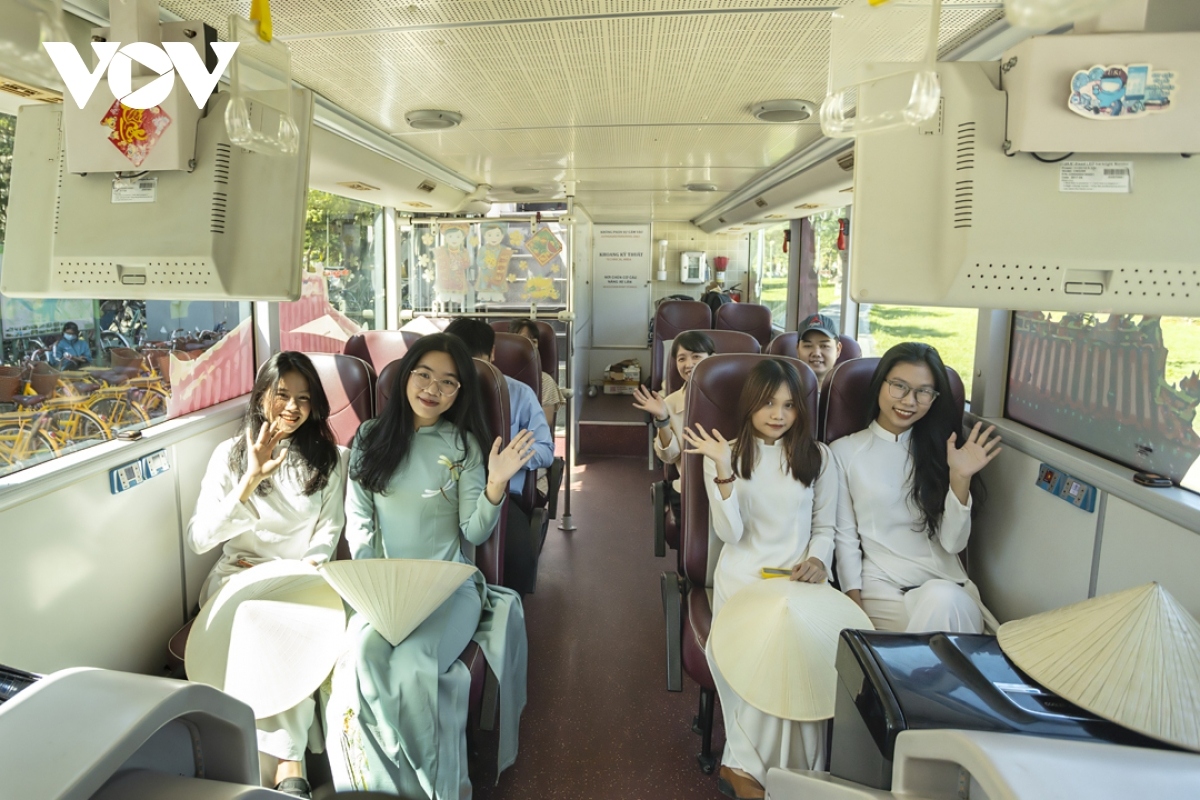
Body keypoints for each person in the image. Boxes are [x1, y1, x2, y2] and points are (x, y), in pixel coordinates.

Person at [327, 333, 533, 799]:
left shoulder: (463, 448)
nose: (432, 388)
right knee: (361, 664)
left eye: (448, 382)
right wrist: (376, 589)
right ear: (405, 376)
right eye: (423, 374)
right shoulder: (368, 438)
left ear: (459, 393)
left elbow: (475, 532)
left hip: (447, 586)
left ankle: (428, 789)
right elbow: (359, 526)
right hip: (384, 588)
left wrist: (496, 485)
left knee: (412, 668)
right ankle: (378, 787)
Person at [186, 351, 348, 798]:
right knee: (261, 619)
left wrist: (301, 572)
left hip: (300, 579)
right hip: (238, 579)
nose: (293, 407)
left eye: (304, 398)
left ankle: (258, 774)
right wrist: (249, 482)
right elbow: (200, 539)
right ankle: (289, 767)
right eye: (282, 395)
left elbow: (327, 534)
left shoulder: (331, 459)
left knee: (283, 622)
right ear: (261, 397)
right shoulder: (231, 455)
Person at [682, 358, 835, 800]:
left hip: (799, 582)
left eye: (788, 405)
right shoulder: (724, 452)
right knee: (768, 650)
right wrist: (724, 473)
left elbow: (826, 528)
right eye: (768, 403)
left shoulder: (818, 457)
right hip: (744, 579)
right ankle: (745, 767)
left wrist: (819, 561)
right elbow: (731, 534)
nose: (778, 415)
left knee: (805, 657)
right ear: (749, 403)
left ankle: (794, 772)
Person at [831, 342, 1001, 634]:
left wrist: (960, 478)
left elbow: (953, 545)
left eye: (923, 392)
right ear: (880, 384)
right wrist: (853, 604)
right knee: (936, 639)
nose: (909, 401)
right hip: (881, 591)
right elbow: (845, 538)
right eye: (899, 386)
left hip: (946, 587)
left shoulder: (945, 453)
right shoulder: (843, 452)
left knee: (941, 601)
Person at [444, 318, 554, 594]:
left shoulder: (519, 394)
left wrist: (512, 458)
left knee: (516, 557)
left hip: (505, 497)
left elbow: (545, 449)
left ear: (491, 355)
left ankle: (508, 611)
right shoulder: (441, 393)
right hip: (446, 492)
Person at [631, 330, 715, 520]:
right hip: (690, 487)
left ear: (713, 359)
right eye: (681, 359)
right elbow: (669, 456)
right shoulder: (670, 402)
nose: (688, 364)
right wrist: (663, 419)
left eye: (696, 357)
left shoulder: (734, 396)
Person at [507, 318, 565, 427]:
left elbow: (543, 425)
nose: (528, 346)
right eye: (522, 341)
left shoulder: (544, 381)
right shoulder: (496, 378)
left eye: (533, 341)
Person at [795, 313, 842, 385]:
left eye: (824, 346)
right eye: (808, 346)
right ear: (798, 349)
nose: (816, 353)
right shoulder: (784, 391)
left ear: (838, 349)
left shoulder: (847, 391)